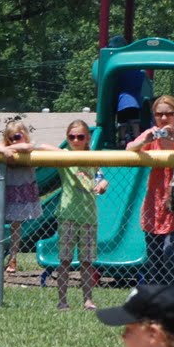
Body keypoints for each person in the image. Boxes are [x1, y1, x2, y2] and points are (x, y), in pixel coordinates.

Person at [127, 94, 174, 288]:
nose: (163, 118)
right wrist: (145, 141)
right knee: (155, 260)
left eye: (169, 114)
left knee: (173, 254)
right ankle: (158, 298)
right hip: (155, 203)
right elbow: (129, 149)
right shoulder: (152, 134)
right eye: (159, 114)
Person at [50, 119, 108, 310]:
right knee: (65, 261)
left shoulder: (92, 159)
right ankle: (62, 300)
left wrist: (103, 184)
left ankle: (88, 300)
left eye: (80, 137)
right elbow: (43, 147)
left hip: (89, 217)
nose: (76, 140)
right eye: (71, 137)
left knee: (87, 262)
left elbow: (100, 178)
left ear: (87, 138)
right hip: (68, 215)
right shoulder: (65, 158)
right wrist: (64, 153)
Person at [0, 119, 44, 273]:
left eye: (17, 137)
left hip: (21, 191)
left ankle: (13, 257)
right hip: (6, 190)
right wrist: (4, 150)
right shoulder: (5, 149)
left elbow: (27, 146)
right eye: (10, 138)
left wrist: (8, 149)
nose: (13, 141)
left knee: (16, 225)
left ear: (24, 135)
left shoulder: (29, 147)